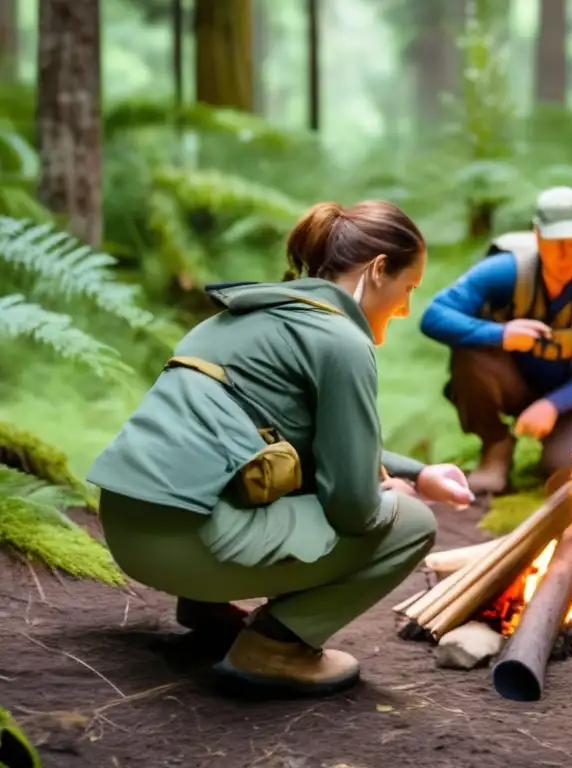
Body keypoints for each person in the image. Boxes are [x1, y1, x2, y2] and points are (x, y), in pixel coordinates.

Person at [87, 201, 474, 697]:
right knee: (412, 524)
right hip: (188, 549)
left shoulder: (244, 316)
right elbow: (353, 509)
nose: (404, 308)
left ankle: (206, 609)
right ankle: (274, 649)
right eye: (408, 289)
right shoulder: (340, 341)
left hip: (128, 532)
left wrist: (418, 473)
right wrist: (396, 498)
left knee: (267, 469)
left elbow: (291, 437)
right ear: (379, 270)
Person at [419, 186, 572, 495]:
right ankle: (495, 445)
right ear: (537, 234)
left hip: (566, 398)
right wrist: (501, 335)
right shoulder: (505, 271)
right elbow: (433, 316)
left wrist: (552, 405)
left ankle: (551, 452)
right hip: (506, 380)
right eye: (556, 242)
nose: (566, 254)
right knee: (469, 350)